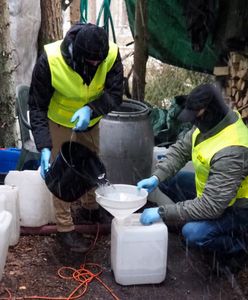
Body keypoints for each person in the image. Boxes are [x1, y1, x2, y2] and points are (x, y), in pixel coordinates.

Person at [28, 23, 123, 253]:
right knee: (60, 169)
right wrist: (44, 147)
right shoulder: (50, 60)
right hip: (57, 117)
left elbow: (115, 94)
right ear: (77, 54)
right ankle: (65, 228)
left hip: (89, 118)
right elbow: (37, 106)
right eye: (91, 62)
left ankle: (90, 208)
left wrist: (91, 109)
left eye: (98, 61)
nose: (96, 65)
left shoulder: (109, 54)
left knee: (91, 163)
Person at [137, 83, 248, 269]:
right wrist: (156, 177)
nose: (193, 122)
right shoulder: (210, 123)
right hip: (214, 194)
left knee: (193, 233)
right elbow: (181, 150)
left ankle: (238, 246)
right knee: (168, 181)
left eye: (196, 116)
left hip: (238, 208)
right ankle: (199, 218)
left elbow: (212, 206)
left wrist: (162, 212)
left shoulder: (233, 149)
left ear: (209, 111)